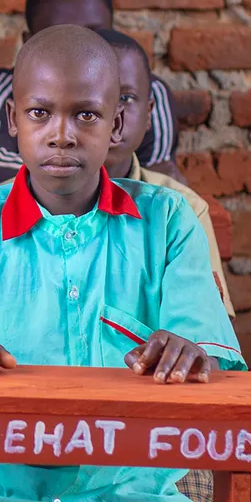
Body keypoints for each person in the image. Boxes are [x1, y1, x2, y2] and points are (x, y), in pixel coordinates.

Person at [0, 25, 244, 502]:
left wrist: (193, 352)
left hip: (136, 493)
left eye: (86, 114)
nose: (62, 134)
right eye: (40, 113)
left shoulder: (170, 223)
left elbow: (208, 358)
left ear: (118, 123)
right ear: (12, 120)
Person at [0, 0, 186, 193]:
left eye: (96, 32)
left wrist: (53, 165)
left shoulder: (145, 89)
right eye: (39, 112)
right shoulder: (5, 88)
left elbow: (159, 178)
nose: (77, 43)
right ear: (28, 40)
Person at [98, 28, 234, 317]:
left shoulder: (180, 208)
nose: (113, 113)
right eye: (93, 97)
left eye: (125, 97)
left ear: (149, 114)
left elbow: (211, 333)